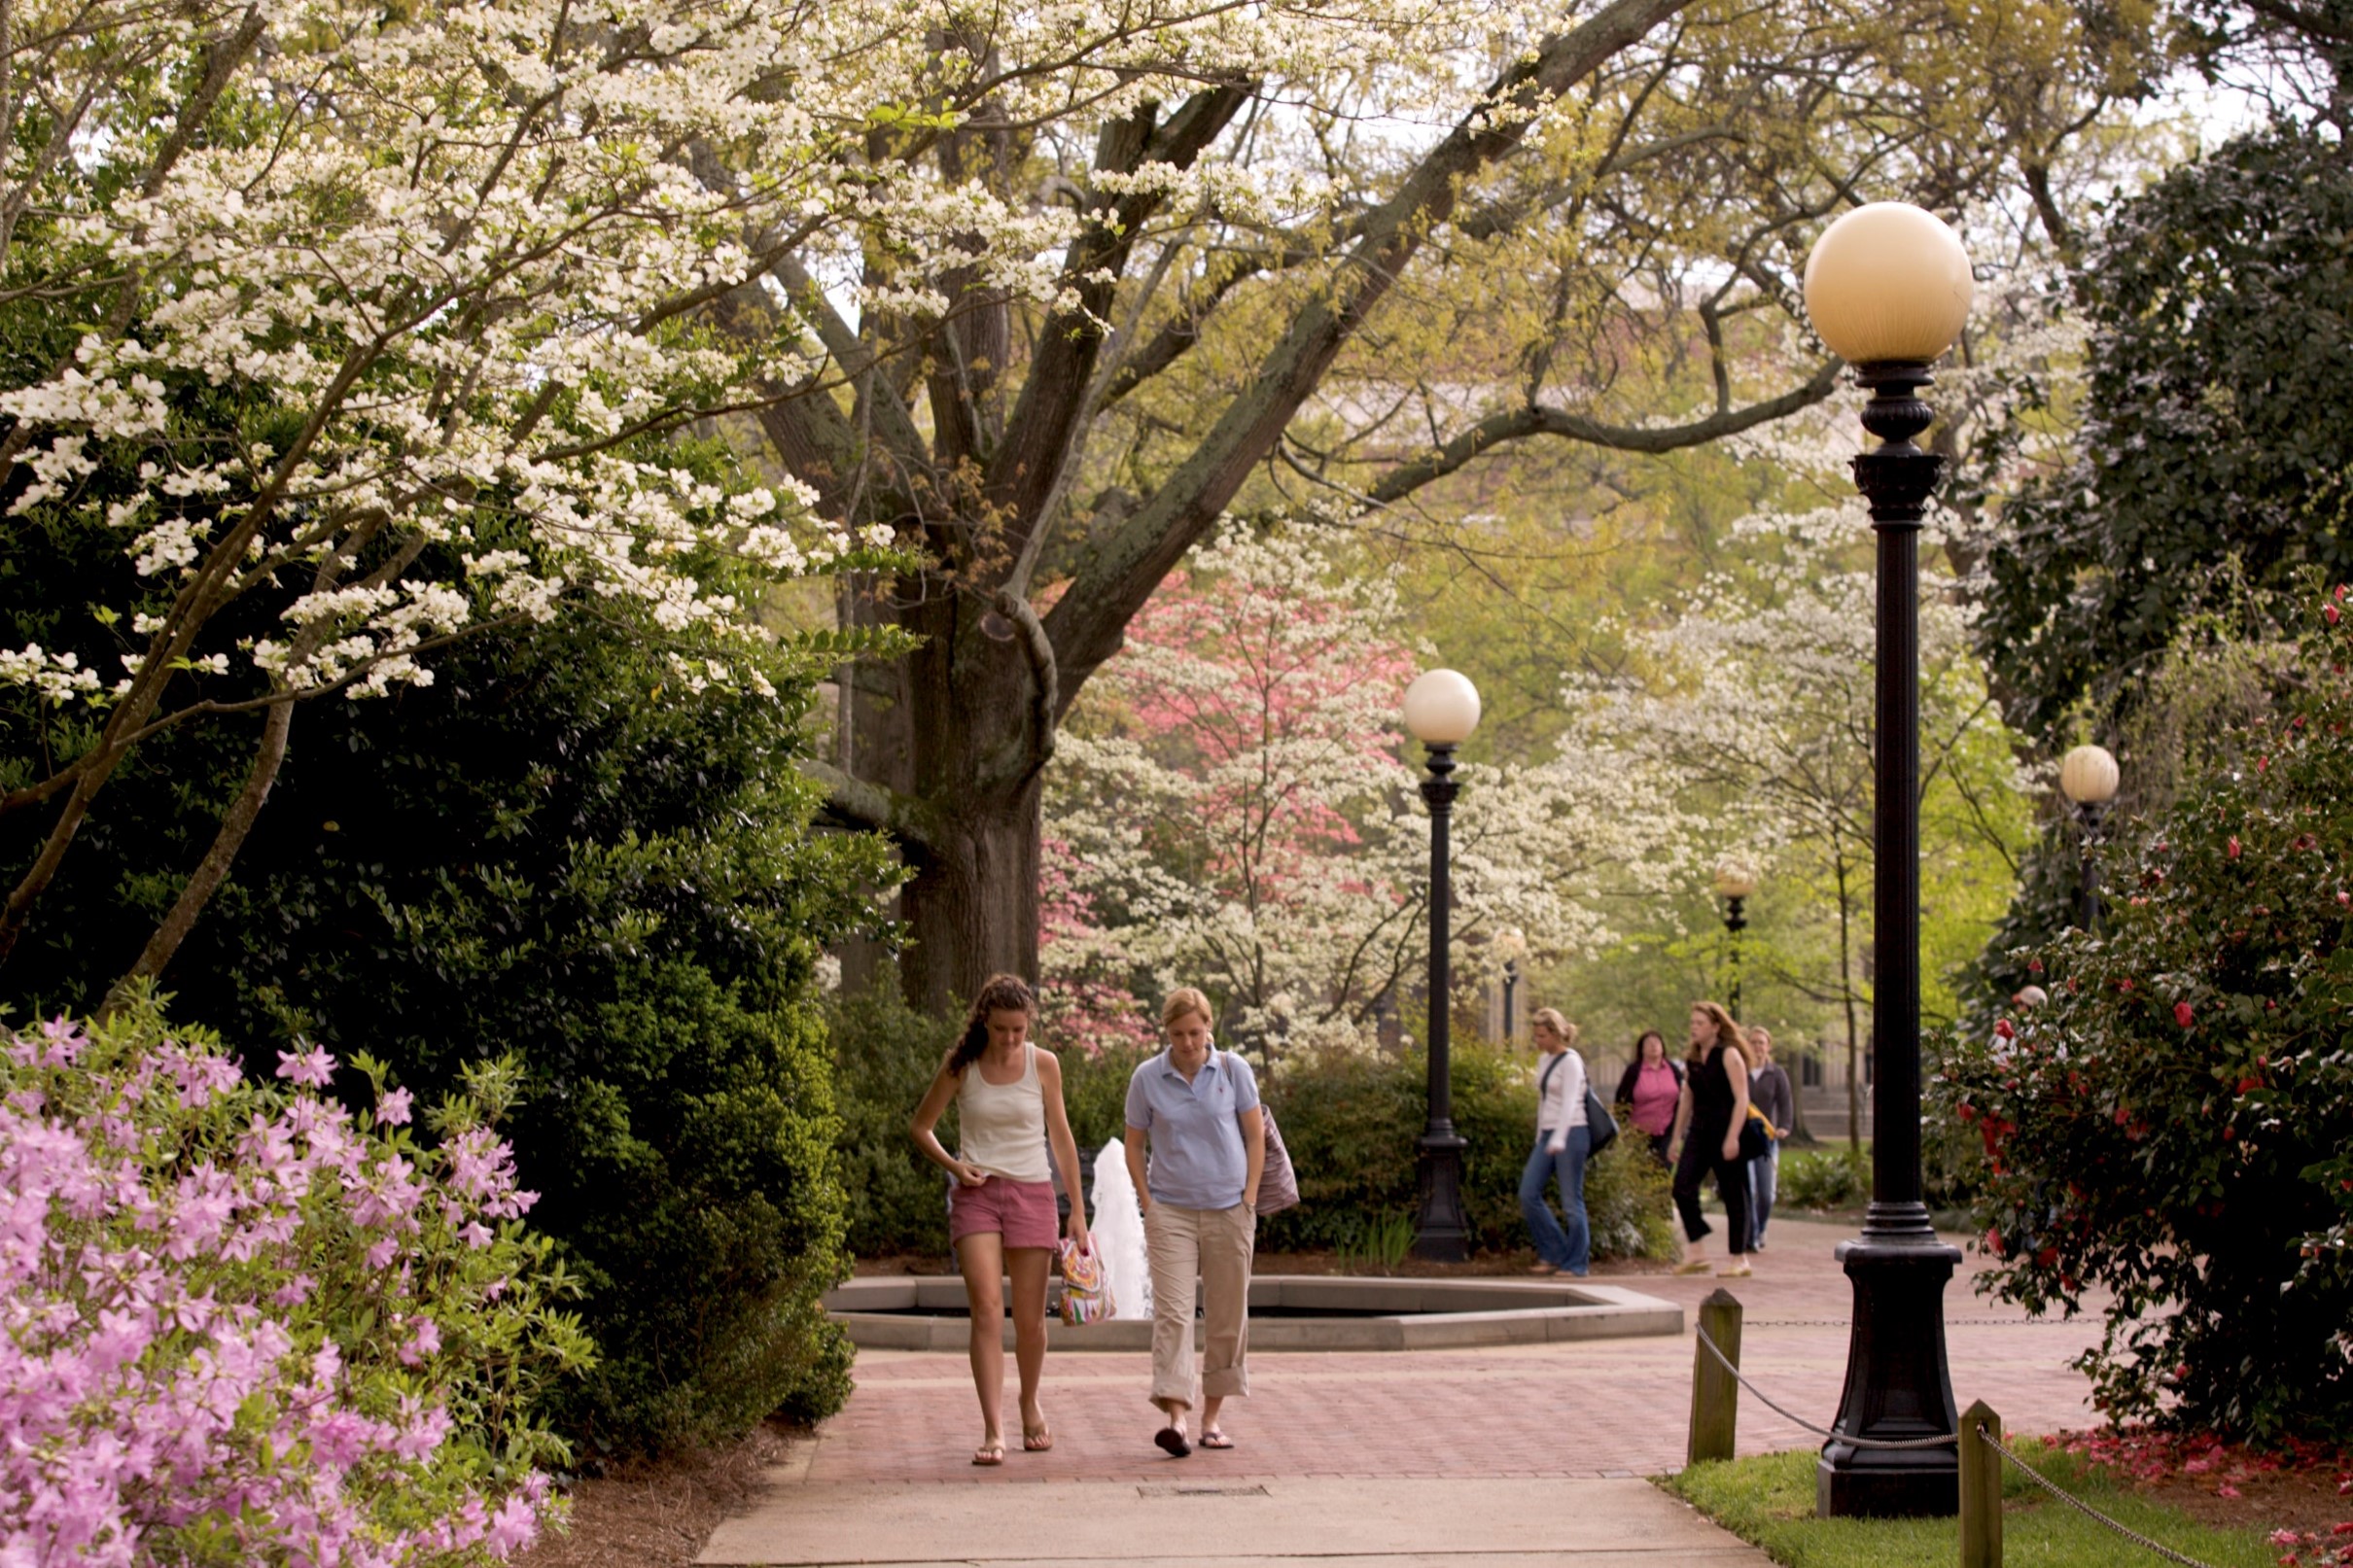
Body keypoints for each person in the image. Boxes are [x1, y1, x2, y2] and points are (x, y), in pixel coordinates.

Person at [909, 974, 1092, 1466]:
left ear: (1028, 1023)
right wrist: (954, 1165)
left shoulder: (1044, 1065)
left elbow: (1063, 1140)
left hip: (1033, 1194)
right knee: (987, 1310)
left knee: (1030, 1321)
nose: (1011, 1039)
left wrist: (1076, 1209)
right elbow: (920, 1126)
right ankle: (993, 1429)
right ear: (984, 1022)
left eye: (1019, 1029)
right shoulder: (961, 1066)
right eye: (1002, 1029)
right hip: (978, 1196)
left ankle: (1029, 1403)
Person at [1124, 987, 1265, 1458]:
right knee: (1175, 1315)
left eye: (1196, 1033)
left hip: (1230, 1210)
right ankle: (1177, 1419)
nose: (1188, 1043)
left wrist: (1248, 1200)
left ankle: (1211, 1418)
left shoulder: (1233, 1070)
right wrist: (1148, 1203)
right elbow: (1133, 1145)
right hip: (1172, 1213)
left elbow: (1254, 1137)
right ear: (1166, 1032)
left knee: (1227, 1317)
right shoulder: (1147, 1077)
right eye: (1179, 1034)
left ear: (1209, 1028)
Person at [1668, 999, 1754, 1278]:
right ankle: (1697, 1252)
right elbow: (1687, 1098)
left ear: (1716, 1027)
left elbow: (1742, 1098)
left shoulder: (1729, 1054)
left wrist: (1732, 1138)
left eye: (1700, 1023)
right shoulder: (1691, 1060)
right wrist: (1675, 1137)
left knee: (1733, 1194)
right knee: (1681, 1186)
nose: (1694, 1028)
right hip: (1699, 1131)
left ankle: (1739, 1258)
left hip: (1728, 1129)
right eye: (1692, 1023)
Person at [1519, 1008, 1593, 1277]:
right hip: (1548, 1133)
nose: (1537, 1041)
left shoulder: (1571, 1061)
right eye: (1535, 1035)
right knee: (1528, 1193)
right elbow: (1544, 1101)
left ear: (1555, 1033)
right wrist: (1542, 1135)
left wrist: (1560, 1136)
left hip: (1572, 1132)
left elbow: (1572, 1100)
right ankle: (1554, 1252)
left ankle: (1576, 1264)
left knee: (1572, 1202)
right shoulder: (1544, 1061)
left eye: (1541, 1035)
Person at [1744, 1026, 1794, 1251]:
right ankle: (1752, 1236)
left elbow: (1785, 1103)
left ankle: (1761, 1226)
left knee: (1766, 1194)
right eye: (1753, 1042)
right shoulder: (1740, 1070)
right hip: (1744, 1137)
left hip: (1766, 1139)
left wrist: (1784, 1127)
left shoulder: (1776, 1073)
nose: (1757, 1047)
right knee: (1749, 1189)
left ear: (1768, 1046)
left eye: (1761, 1043)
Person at [1614, 1029, 1684, 1166]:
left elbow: (1683, 1097)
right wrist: (1623, 1128)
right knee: (1641, 1173)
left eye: (1657, 1043)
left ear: (1663, 1047)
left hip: (1667, 1130)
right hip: (1639, 1133)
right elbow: (1621, 1100)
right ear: (1641, 1049)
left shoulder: (1673, 1070)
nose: (1654, 1046)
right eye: (1649, 1043)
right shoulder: (1634, 1071)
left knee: (1663, 1172)